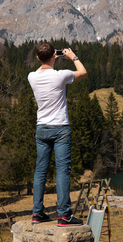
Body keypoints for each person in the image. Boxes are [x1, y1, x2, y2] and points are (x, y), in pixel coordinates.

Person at [28, 43, 87, 226]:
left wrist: (48, 58)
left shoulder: (32, 77)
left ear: (38, 58)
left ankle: (37, 213)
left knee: (40, 171)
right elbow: (83, 72)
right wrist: (72, 57)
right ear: (54, 55)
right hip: (60, 128)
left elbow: (41, 67)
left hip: (42, 128)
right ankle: (64, 215)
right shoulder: (61, 76)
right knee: (62, 171)